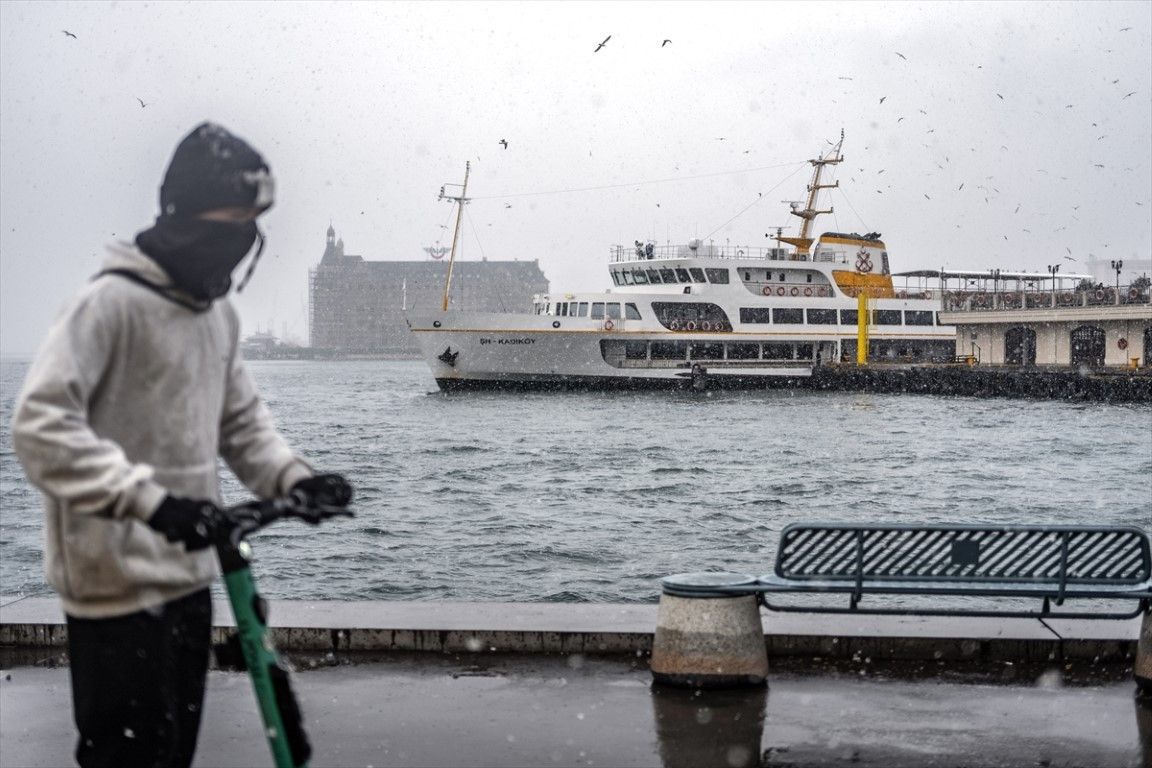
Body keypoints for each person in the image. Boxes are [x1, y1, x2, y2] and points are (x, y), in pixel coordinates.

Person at [11, 122, 352, 768]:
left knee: (173, 755)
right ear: (189, 212)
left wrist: (293, 477)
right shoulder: (108, 305)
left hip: (191, 577)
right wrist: (150, 501)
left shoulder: (215, 316)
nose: (245, 236)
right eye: (234, 218)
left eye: (254, 221)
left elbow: (242, 422)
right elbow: (40, 427)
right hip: (112, 588)